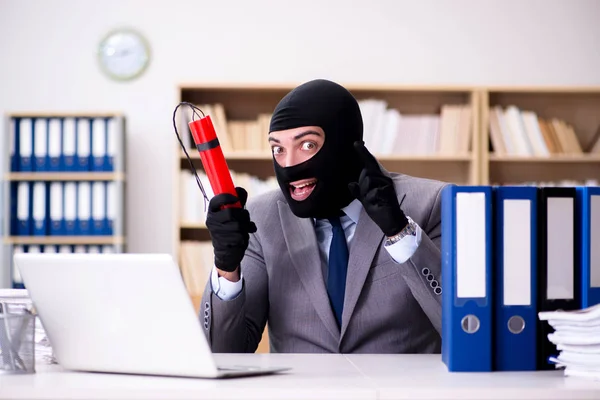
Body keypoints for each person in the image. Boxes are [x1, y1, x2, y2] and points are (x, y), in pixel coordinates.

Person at [200, 79, 449, 354]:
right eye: (278, 149)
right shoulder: (262, 218)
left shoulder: (432, 203)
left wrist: (399, 231)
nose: (289, 165)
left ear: (347, 145)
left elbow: (463, 327)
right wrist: (226, 267)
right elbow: (223, 355)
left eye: (307, 145)